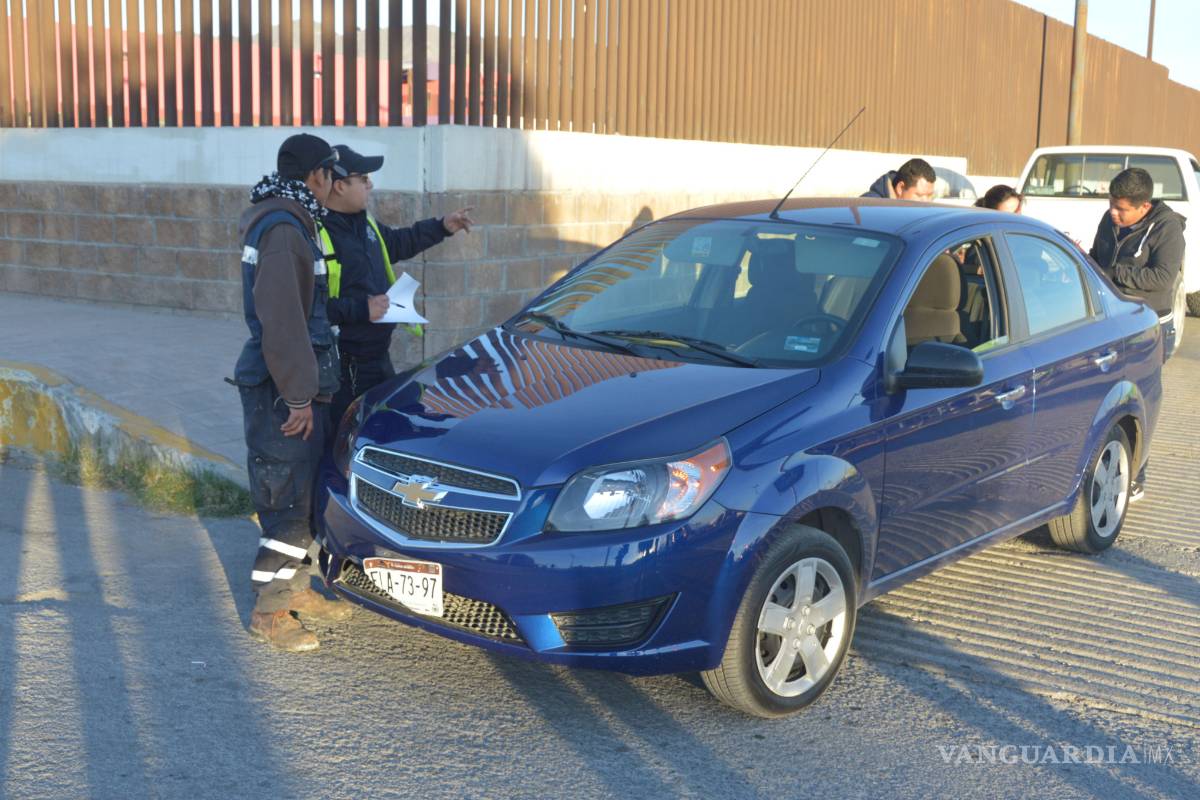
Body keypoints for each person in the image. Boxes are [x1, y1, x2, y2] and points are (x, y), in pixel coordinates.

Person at [231, 133, 353, 652]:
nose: (336, 184)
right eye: (333, 174)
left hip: (298, 386)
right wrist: (300, 398)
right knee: (285, 499)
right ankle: (270, 610)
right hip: (284, 394)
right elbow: (283, 324)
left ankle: (297, 588)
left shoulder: (293, 219)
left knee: (302, 497)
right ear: (316, 177)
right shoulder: (285, 230)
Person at [323, 144, 475, 427]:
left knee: (382, 426)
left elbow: (395, 243)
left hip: (377, 355)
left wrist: (442, 226)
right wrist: (361, 308)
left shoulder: (363, 221)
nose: (370, 183)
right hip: (344, 366)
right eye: (363, 178)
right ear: (340, 185)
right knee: (346, 437)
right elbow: (308, 306)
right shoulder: (318, 233)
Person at [1089, 167, 1186, 321]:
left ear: (1144, 207)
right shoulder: (1108, 219)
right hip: (1110, 313)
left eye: (1121, 209)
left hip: (1149, 320)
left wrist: (1115, 273)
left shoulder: (1167, 228)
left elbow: (1163, 278)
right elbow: (1096, 257)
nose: (1113, 212)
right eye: (1111, 204)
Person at [862, 158, 937, 201]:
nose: (927, 203)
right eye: (919, 195)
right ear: (900, 188)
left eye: (930, 196)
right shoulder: (868, 207)